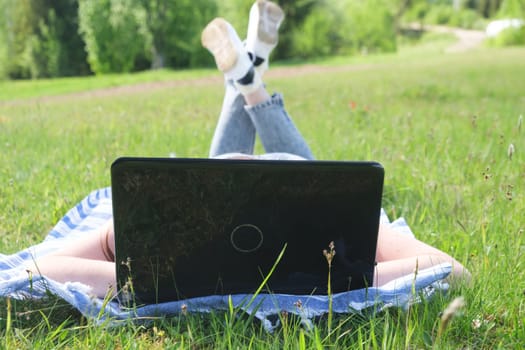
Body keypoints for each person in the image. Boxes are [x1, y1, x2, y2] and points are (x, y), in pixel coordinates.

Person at [24, 0, 469, 299]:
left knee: (249, 169)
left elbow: (34, 269)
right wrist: (343, 279)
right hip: (289, 179)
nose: (249, 160)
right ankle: (248, 75)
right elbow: (451, 270)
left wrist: (124, 263)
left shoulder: (176, 229)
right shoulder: (331, 210)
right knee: (295, 168)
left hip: (235, 183)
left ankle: (247, 74)